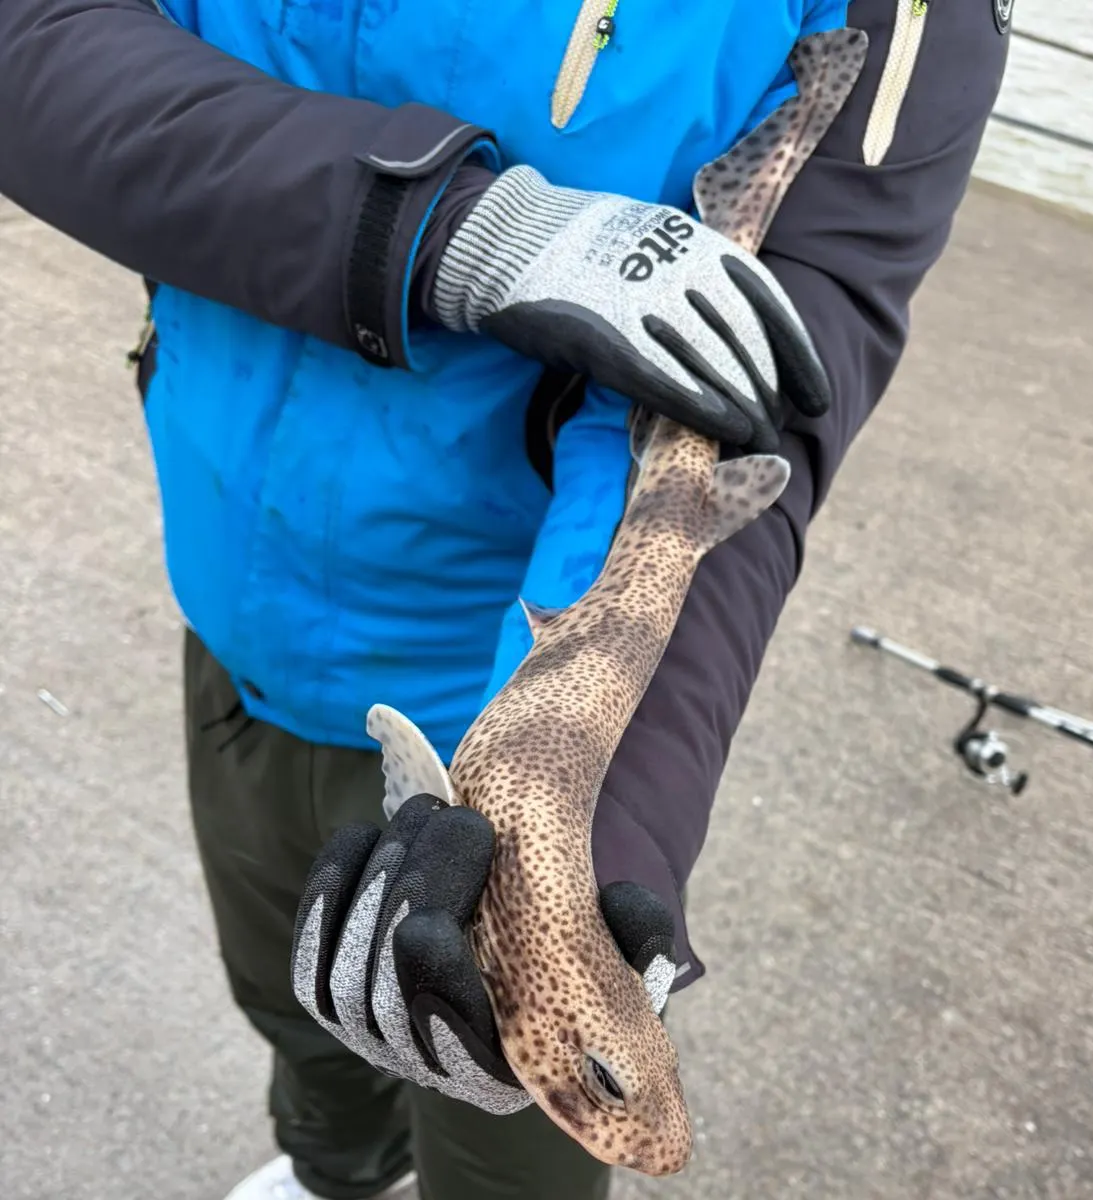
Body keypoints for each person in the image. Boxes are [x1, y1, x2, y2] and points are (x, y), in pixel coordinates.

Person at [0, 0, 1011, 1196]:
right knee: (291, 999)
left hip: (480, 687)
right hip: (239, 630)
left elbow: (759, 407)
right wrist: (448, 233)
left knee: (502, 1141)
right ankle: (336, 1171)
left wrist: (605, 840)